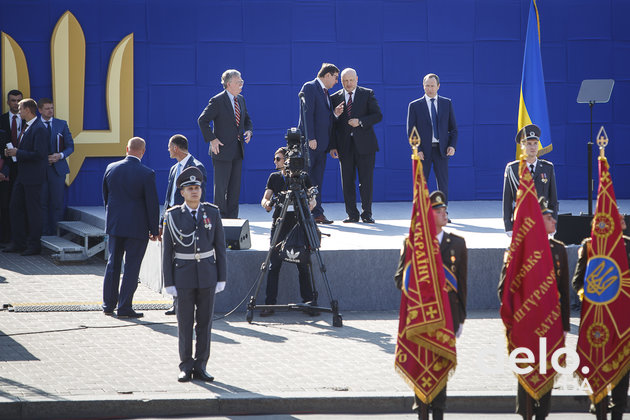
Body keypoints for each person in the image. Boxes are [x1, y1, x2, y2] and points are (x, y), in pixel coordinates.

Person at [394, 190, 467, 420]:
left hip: (447, 317)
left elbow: (462, 284)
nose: (444, 213)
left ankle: (439, 412)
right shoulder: (412, 244)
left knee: (440, 366)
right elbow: (399, 279)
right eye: (438, 211)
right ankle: (422, 411)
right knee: (420, 366)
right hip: (419, 318)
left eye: (444, 210)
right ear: (428, 215)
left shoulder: (457, 243)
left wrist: (462, 318)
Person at [498, 197, 570, 420]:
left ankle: (543, 413)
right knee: (526, 366)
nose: (554, 221)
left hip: (550, 323)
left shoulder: (558, 250)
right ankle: (526, 413)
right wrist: (518, 313)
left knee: (548, 365)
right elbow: (504, 289)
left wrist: (565, 324)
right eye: (549, 218)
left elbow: (564, 293)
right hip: (525, 324)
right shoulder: (517, 251)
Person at [162, 166, 226, 383]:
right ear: (182, 192)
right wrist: (168, 281)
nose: (194, 191)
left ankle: (201, 365)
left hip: (207, 275)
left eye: (197, 187)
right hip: (183, 277)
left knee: (205, 324)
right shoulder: (172, 216)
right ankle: (185, 366)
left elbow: (220, 248)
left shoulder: (212, 212)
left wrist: (222, 277)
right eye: (189, 188)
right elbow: (167, 252)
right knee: (185, 324)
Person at [573, 215, 629, 420]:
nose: (622, 217)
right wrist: (592, 299)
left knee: (623, 373)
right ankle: (599, 410)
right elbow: (578, 282)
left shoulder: (627, 245)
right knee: (598, 371)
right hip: (598, 322)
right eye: (617, 214)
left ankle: (618, 412)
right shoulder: (590, 246)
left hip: (623, 323)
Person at [102, 137, 160, 318]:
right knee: (132, 268)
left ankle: (108, 304)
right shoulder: (147, 173)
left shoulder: (111, 168)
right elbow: (152, 204)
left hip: (115, 225)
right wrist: (154, 229)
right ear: (143, 151)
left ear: (126, 149)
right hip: (137, 228)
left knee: (112, 264)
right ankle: (125, 307)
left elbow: (106, 196)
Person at [259, 147, 317, 316]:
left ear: (287, 160)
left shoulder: (303, 177)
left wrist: (311, 201)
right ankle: (270, 304)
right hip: (280, 223)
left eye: (278, 159)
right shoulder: (275, 177)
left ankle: (309, 303)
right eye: (275, 159)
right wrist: (266, 204)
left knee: (304, 265)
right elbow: (265, 197)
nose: (275, 162)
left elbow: (312, 197)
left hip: (299, 224)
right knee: (274, 265)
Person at [161, 134, 207, 316]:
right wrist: (162, 220)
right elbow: (168, 196)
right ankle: (177, 303)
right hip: (172, 219)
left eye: (169, 147)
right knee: (174, 261)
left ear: (176, 148)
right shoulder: (174, 168)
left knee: (189, 261)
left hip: (188, 219)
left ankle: (194, 303)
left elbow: (200, 196)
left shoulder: (196, 166)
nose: (167, 150)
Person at [329, 68, 383, 224]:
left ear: (357, 79)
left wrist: (360, 122)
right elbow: (331, 125)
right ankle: (352, 214)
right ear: (341, 82)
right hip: (344, 147)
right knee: (347, 181)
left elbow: (377, 115)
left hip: (366, 146)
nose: (348, 83)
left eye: (351, 80)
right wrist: (333, 145)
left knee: (366, 181)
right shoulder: (334, 98)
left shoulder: (367, 94)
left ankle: (367, 213)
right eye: (345, 81)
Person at [198, 69, 253, 219]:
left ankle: (233, 218)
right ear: (229, 84)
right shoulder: (217, 101)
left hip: (238, 149)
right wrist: (212, 139)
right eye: (238, 82)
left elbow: (247, 120)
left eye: (241, 81)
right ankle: (220, 219)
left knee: (235, 188)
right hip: (221, 150)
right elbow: (202, 120)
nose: (242, 84)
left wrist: (248, 131)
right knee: (221, 189)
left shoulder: (240, 99)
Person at [298, 63, 344, 224]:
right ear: (327, 75)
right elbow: (307, 113)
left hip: (322, 146)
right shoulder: (310, 87)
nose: (337, 81)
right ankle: (303, 214)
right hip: (311, 144)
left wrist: (334, 114)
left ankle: (317, 213)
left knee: (316, 181)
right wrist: (310, 138)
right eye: (335, 77)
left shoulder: (325, 92)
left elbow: (324, 118)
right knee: (306, 179)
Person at [3, 98, 48, 255]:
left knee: (33, 211)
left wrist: (18, 152)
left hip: (33, 177)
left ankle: (34, 245)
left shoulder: (39, 128)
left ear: (28, 110)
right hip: (23, 176)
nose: (18, 110)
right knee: (15, 208)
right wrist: (13, 152)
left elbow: (40, 154)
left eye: (21, 108)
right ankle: (18, 242)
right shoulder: (27, 127)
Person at [406, 74, 458, 203]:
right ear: (423, 86)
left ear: (438, 86)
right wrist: (417, 149)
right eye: (427, 86)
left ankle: (442, 212)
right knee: (421, 184)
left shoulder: (446, 103)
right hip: (423, 151)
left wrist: (452, 146)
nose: (430, 89)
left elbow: (453, 129)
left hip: (442, 150)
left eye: (432, 86)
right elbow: (411, 131)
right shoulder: (415, 105)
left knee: (443, 184)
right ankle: (421, 214)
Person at [503, 124, 558, 234]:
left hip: (542, 220)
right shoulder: (513, 169)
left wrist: (553, 223)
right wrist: (508, 225)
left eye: (535, 144)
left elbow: (553, 200)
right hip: (521, 221)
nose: (533, 147)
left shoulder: (548, 168)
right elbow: (507, 200)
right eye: (529, 144)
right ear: (522, 146)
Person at [38, 98, 74, 236]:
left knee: (57, 203)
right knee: (41, 203)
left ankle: (56, 234)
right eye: (47, 108)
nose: (50, 111)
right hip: (40, 170)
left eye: (52, 108)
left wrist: (60, 155)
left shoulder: (61, 124)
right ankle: (43, 234)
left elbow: (70, 146)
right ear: (40, 110)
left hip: (57, 170)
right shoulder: (34, 124)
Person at [0, 90, 24, 244]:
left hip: (24, 167)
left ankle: (21, 238)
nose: (16, 103)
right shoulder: (1, 120)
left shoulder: (28, 121)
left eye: (19, 101)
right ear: (8, 102)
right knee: (4, 204)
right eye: (13, 100)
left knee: (22, 204)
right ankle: (5, 238)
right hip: (5, 170)